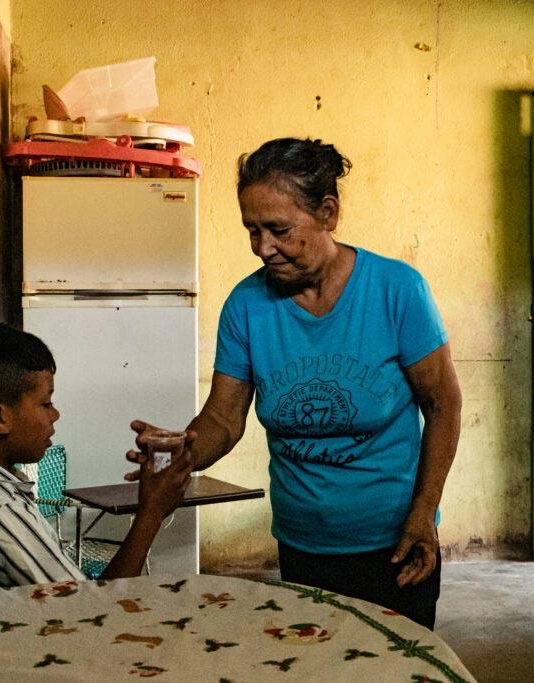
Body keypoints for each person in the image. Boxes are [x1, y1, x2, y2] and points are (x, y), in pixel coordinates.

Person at [130, 137, 462, 628]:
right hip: (303, 543)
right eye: (252, 230)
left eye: (279, 229)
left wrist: (425, 512)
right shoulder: (247, 307)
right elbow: (224, 418)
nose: (264, 248)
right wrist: (184, 452)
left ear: (327, 213)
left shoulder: (397, 291)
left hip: (395, 543)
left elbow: (443, 406)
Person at [0, 321, 192, 595]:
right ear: (0, 418)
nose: (55, 415)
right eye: (46, 403)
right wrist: (152, 512)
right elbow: (88, 611)